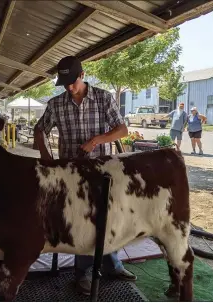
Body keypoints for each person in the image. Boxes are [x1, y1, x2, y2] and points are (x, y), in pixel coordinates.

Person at [34, 56, 136, 295]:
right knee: (82, 221)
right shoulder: (56, 104)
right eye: (65, 83)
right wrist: (47, 159)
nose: (69, 87)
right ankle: (83, 273)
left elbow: (122, 129)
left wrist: (96, 140)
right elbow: (40, 130)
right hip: (72, 174)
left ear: (82, 75)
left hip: (103, 172)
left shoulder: (103, 98)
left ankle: (112, 265)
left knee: (108, 218)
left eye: (72, 81)